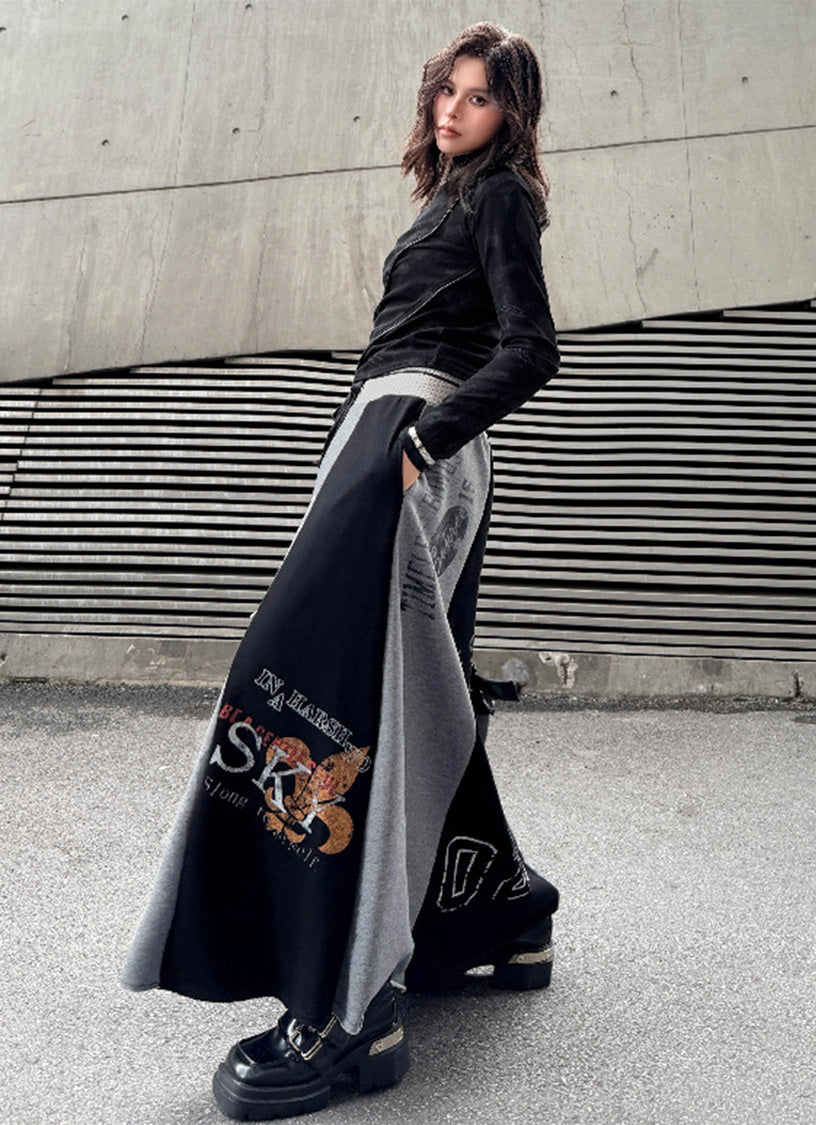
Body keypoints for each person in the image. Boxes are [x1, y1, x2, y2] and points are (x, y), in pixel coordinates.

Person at [122, 21, 560, 1122]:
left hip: (412, 442)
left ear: (511, 115)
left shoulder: (500, 196)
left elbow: (532, 345)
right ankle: (501, 908)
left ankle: (355, 1014)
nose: (453, 109)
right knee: (402, 695)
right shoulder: (446, 199)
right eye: (447, 90)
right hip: (377, 435)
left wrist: (420, 442)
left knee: (325, 693)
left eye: (479, 97)